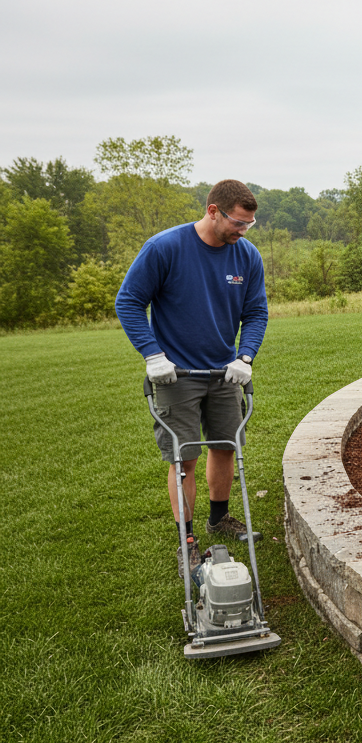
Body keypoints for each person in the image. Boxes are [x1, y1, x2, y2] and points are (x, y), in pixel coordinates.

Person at [115, 179, 269, 576]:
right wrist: (152, 355)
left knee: (225, 446)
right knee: (184, 457)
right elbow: (129, 301)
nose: (243, 231)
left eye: (249, 224)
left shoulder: (247, 256)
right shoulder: (165, 247)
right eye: (238, 222)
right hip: (175, 374)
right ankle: (186, 542)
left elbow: (256, 312)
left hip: (224, 372)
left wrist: (245, 357)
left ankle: (219, 518)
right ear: (213, 211)